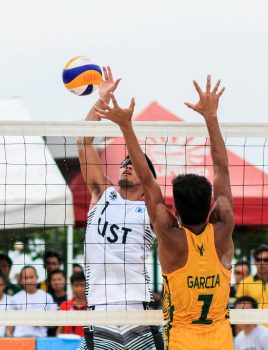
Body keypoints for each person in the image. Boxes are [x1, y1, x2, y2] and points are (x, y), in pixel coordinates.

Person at [95, 75, 235, 349]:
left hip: (182, 341)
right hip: (221, 341)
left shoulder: (171, 238)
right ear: (211, 207)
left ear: (175, 212)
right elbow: (222, 169)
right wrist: (211, 117)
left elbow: (147, 181)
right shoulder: (223, 228)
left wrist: (125, 126)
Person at [77, 67, 161, 350]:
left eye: (133, 164)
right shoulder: (103, 195)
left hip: (138, 309)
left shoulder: (150, 210)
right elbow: (83, 141)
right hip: (99, 308)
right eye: (124, 162)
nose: (126, 165)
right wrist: (101, 99)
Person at [12, 266, 56, 338]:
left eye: (31, 277)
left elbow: (53, 323)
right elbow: (10, 324)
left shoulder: (47, 297)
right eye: (26, 278)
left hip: (40, 339)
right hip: (20, 339)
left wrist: (39, 321)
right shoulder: (15, 298)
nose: (29, 281)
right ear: (21, 280)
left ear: (37, 278)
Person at [57, 272, 87, 337]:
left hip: (87, 344)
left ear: (87, 286)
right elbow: (60, 329)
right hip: (67, 344)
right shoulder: (64, 305)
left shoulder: (92, 306)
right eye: (76, 286)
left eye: (82, 285)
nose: (79, 289)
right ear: (71, 287)